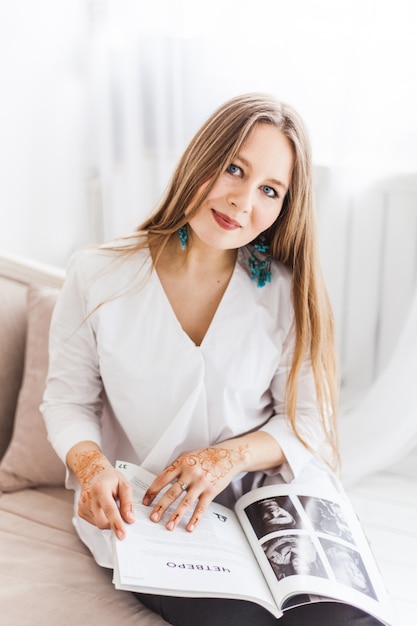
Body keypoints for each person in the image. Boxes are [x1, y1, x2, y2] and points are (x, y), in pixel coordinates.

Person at [41, 93, 381, 625]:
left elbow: (313, 422)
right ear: (200, 158)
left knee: (342, 618)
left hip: (273, 501)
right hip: (158, 511)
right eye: (233, 169)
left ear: (284, 208)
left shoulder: (287, 294)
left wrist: (225, 459)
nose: (243, 202)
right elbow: (66, 401)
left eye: (269, 190)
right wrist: (91, 470)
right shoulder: (97, 275)